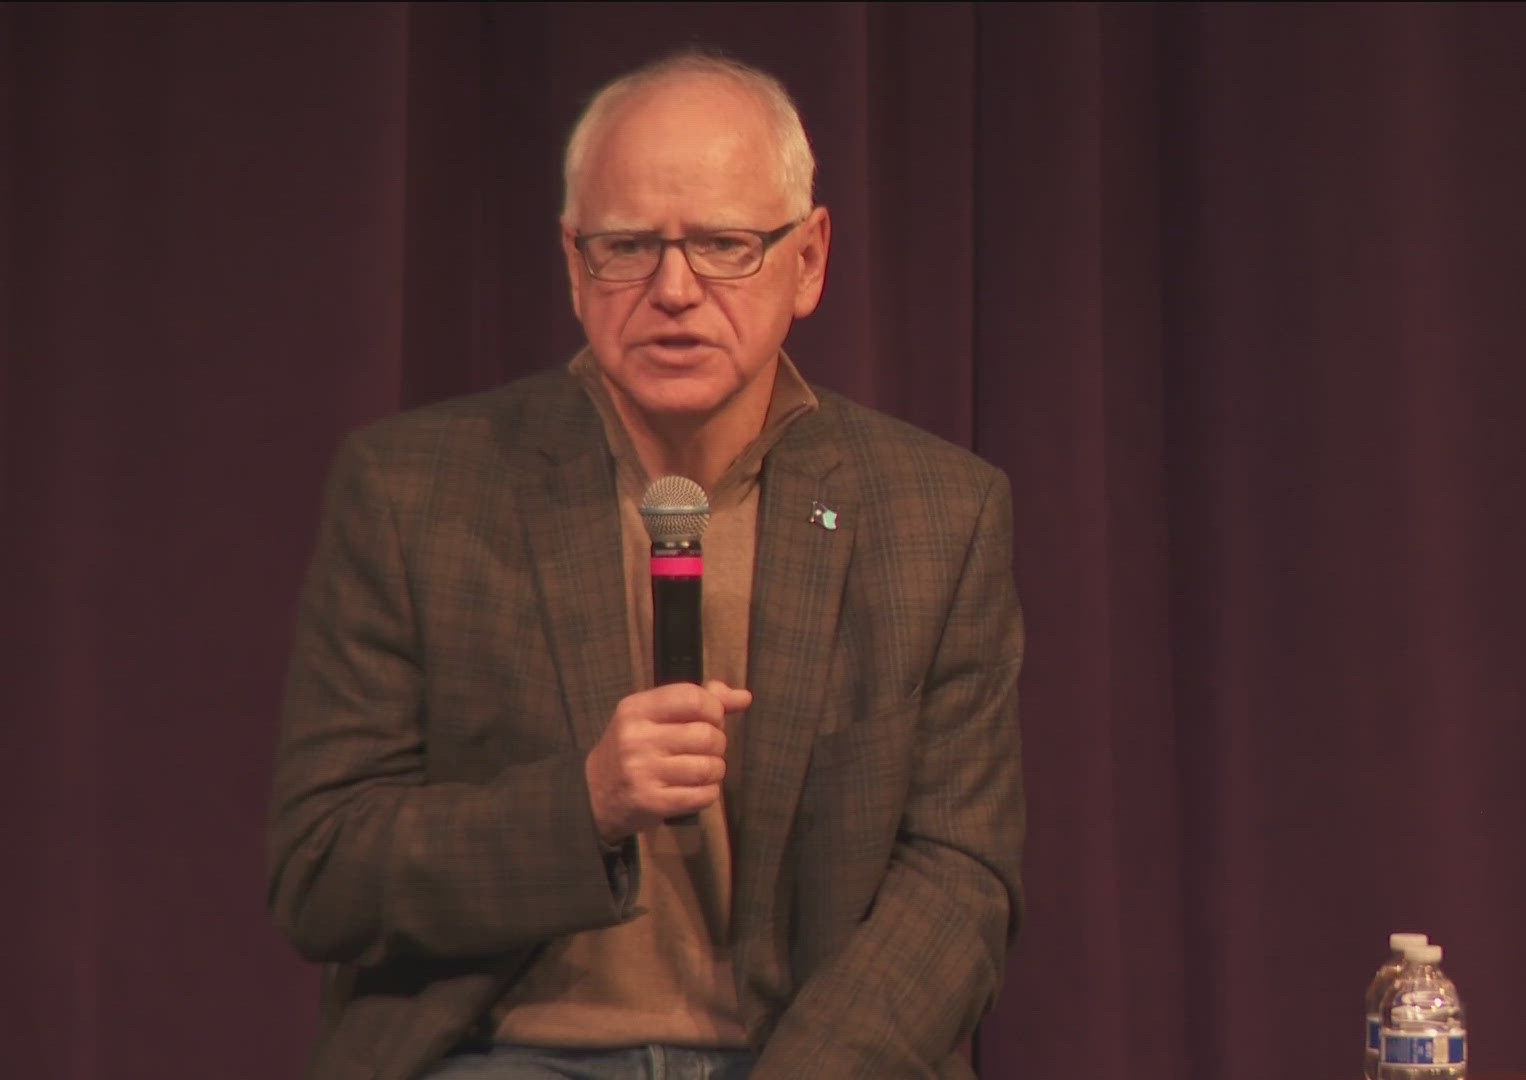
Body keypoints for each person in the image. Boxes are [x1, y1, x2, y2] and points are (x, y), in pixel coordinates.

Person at [268, 50, 1024, 1080]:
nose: (674, 290)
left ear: (807, 261)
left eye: (723, 245)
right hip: (504, 1051)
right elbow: (325, 871)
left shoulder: (937, 510)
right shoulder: (414, 490)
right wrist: (582, 806)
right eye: (629, 247)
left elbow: (959, 881)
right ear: (576, 268)